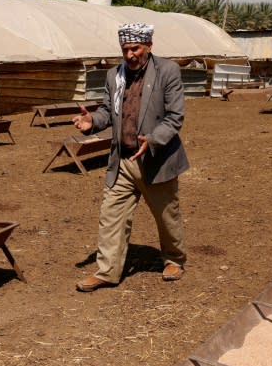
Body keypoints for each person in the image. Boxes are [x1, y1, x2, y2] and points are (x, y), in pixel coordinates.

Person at [72, 22, 190, 292]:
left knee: (166, 216)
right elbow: (106, 111)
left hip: (156, 159)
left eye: (135, 48)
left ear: (149, 46)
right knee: (111, 216)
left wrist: (154, 139)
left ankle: (173, 259)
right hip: (123, 161)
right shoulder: (114, 75)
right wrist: (92, 121)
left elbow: (175, 117)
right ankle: (107, 271)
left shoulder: (167, 71)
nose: (129, 55)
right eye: (125, 49)